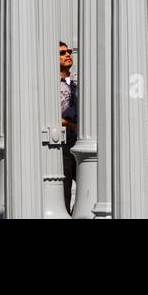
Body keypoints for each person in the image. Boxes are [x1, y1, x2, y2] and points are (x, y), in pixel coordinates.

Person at [60, 41, 78, 211]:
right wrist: (70, 125)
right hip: (63, 145)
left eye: (69, 52)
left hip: (81, 142)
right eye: (62, 53)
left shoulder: (77, 80)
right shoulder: (51, 83)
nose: (67, 55)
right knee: (64, 188)